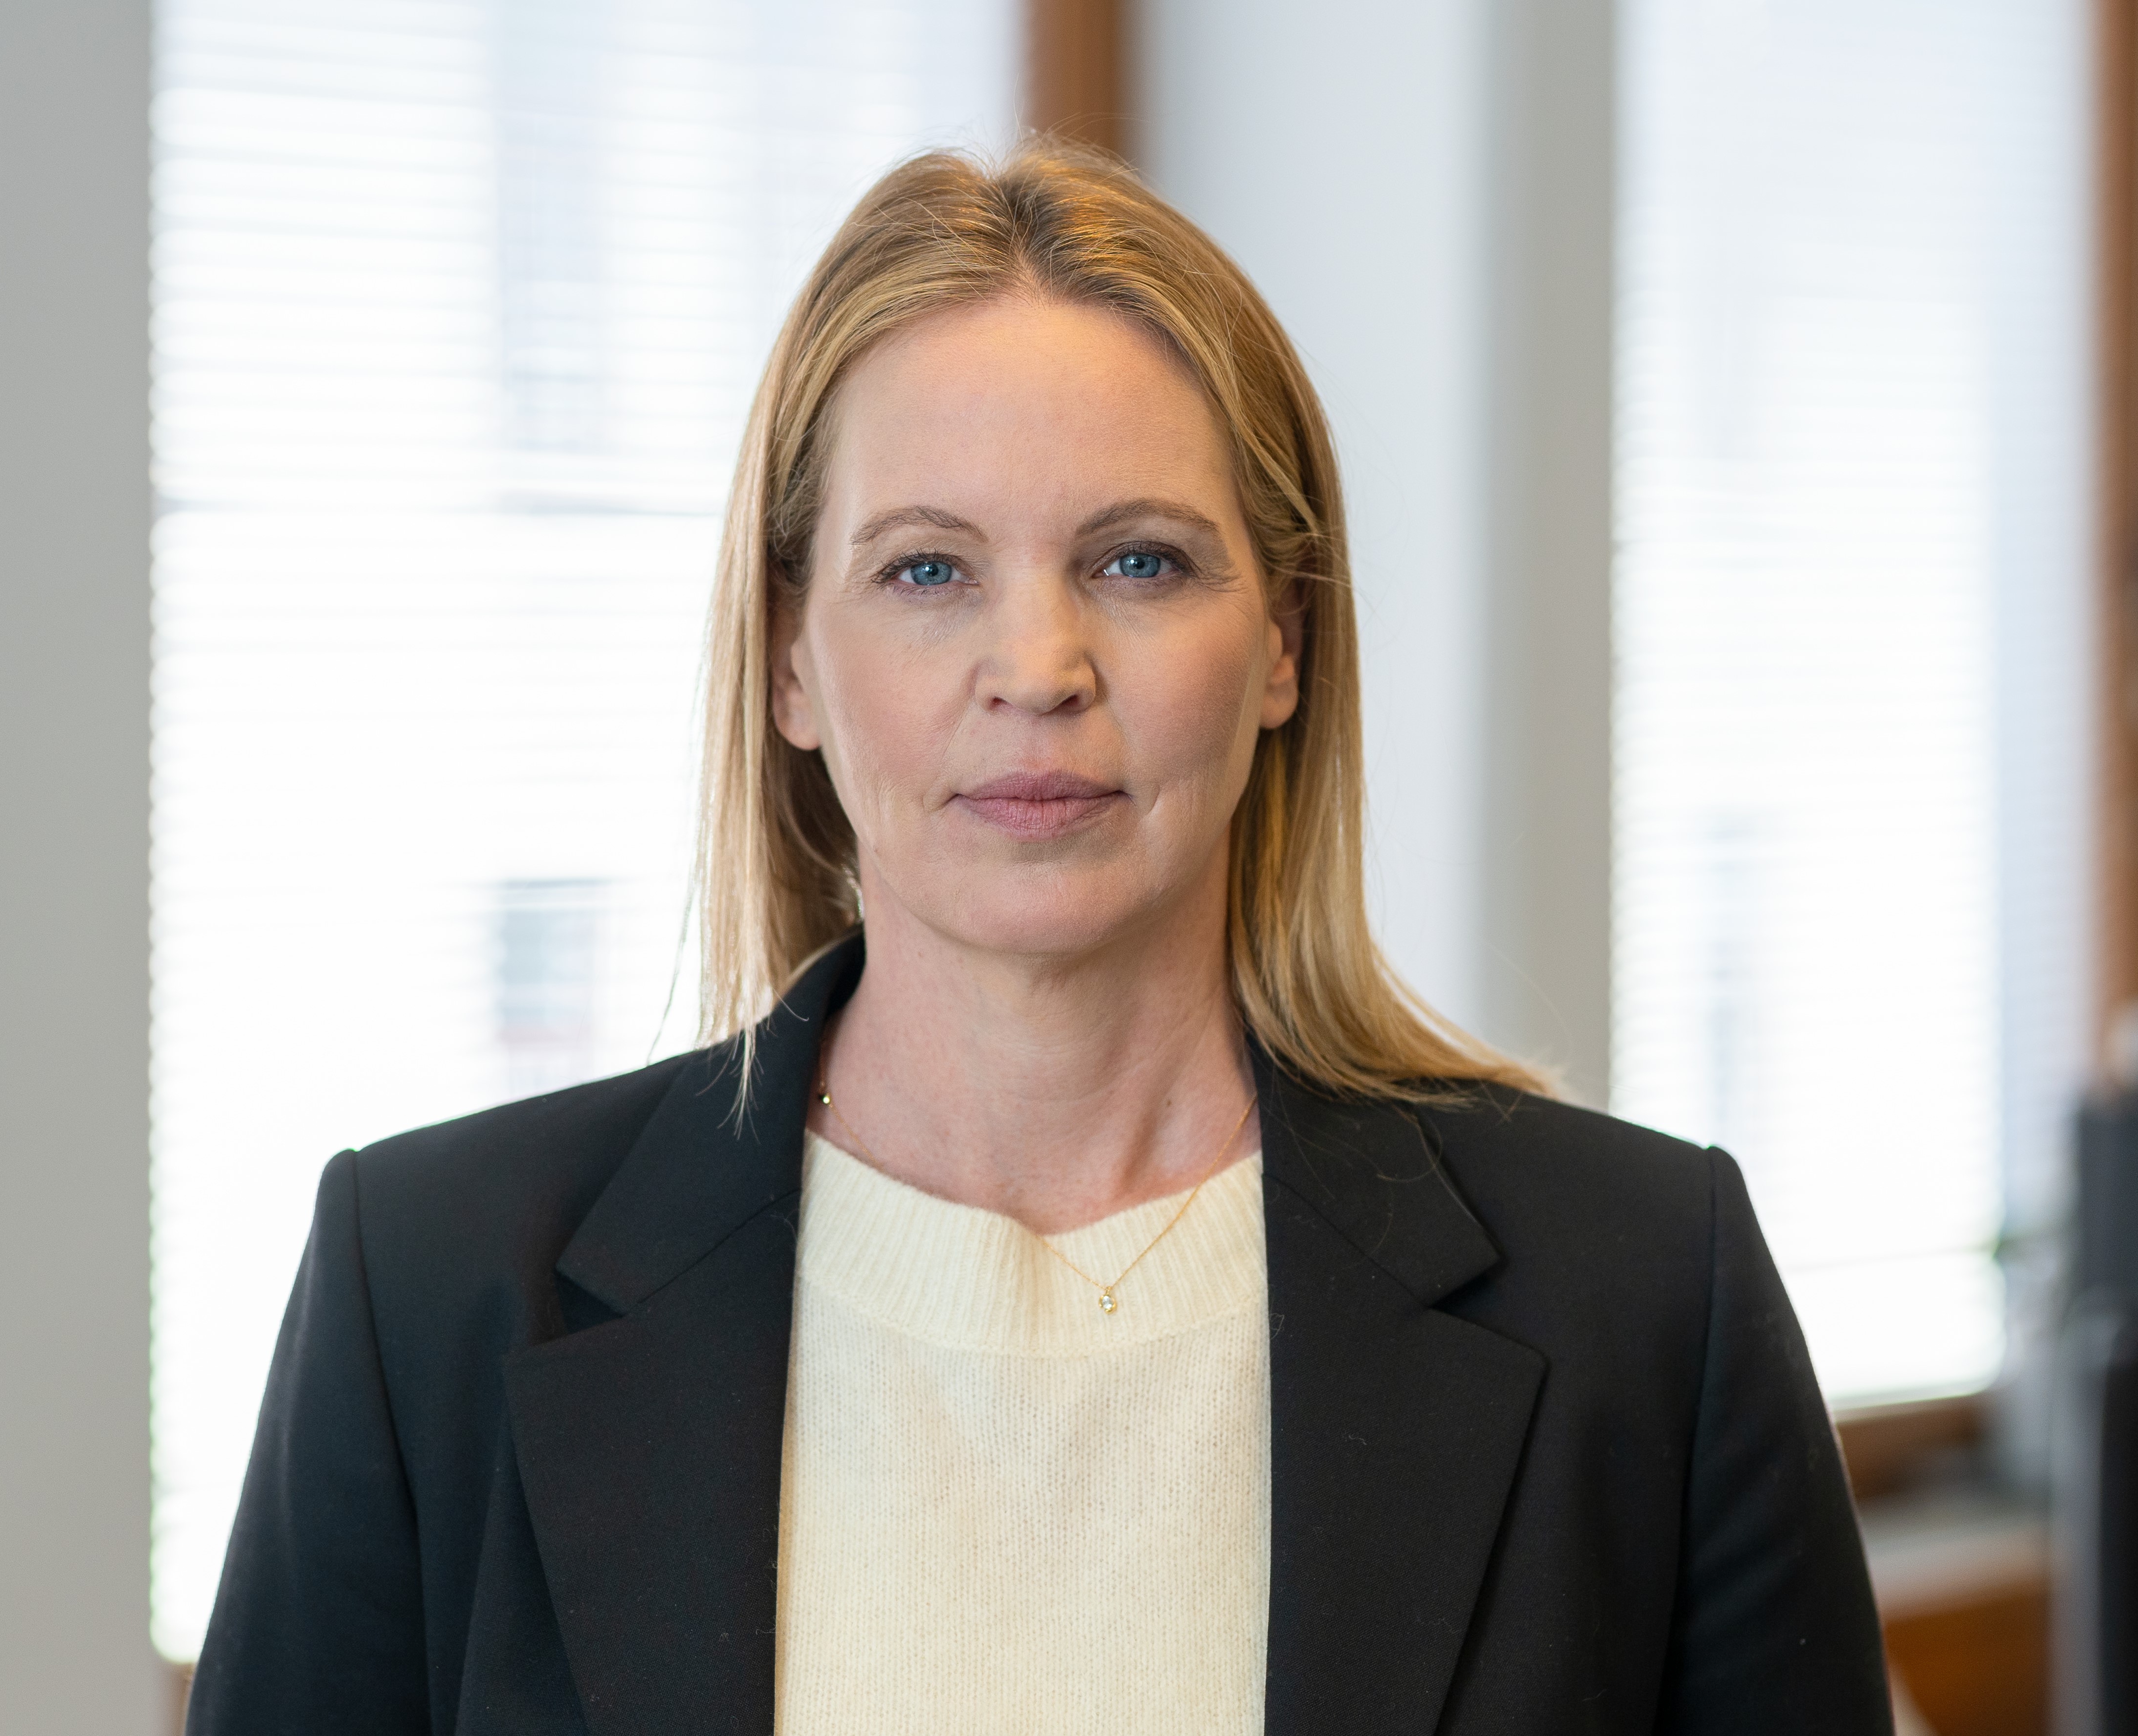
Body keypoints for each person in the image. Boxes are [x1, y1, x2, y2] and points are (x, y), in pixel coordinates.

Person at [186, 142, 1891, 1735]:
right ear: (788, 660)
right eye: (927, 571)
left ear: (1282, 645)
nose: (1038, 667)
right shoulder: (429, 1290)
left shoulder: (1642, 1297)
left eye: (1138, 562)